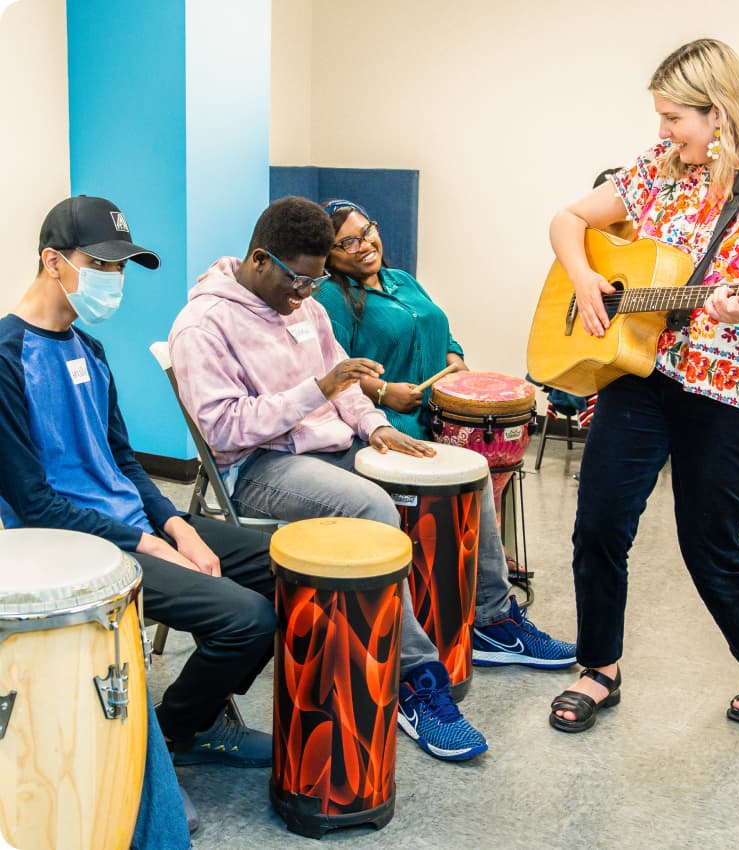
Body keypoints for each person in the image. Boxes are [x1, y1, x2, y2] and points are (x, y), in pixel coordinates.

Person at [168, 196, 577, 762]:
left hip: (336, 446)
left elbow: (350, 385)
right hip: (260, 466)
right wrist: (321, 390)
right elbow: (225, 429)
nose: (307, 295)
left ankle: (492, 618)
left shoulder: (302, 306)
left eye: (314, 283)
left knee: (465, 472)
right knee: (372, 509)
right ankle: (414, 682)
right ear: (261, 259)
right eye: (300, 282)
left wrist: (378, 427)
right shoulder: (204, 324)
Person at [546, 38, 739, 733]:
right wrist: (587, 277)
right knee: (598, 525)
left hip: (731, 390)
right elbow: (567, 220)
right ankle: (599, 670)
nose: (662, 132)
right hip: (644, 372)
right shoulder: (660, 169)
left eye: (674, 117)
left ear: (721, 112)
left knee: (708, 539)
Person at [0, 197, 277, 848]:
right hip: (70, 549)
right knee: (248, 620)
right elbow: (35, 503)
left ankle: (193, 717)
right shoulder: (7, 358)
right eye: (100, 264)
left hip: (133, 526)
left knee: (278, 565)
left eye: (121, 268)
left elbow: (122, 461)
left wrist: (177, 527)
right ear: (52, 262)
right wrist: (149, 542)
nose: (113, 281)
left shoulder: (89, 349)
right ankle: (179, 731)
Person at [314, 197, 579, 656]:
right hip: (387, 428)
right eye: (347, 242)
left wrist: (454, 357)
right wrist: (384, 391)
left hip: (436, 417)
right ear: (329, 255)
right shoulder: (330, 298)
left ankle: (485, 614)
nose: (363, 246)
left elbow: (442, 330)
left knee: (477, 475)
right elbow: (334, 371)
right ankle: (491, 618)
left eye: (367, 230)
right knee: (473, 480)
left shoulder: (402, 280)